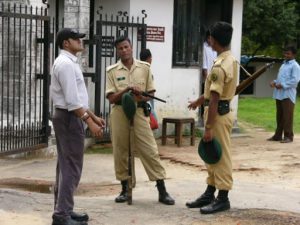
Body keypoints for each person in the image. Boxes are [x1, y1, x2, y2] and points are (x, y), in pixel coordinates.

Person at [106, 36, 175, 205]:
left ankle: (162, 189)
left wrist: (139, 95)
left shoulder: (144, 68)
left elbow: (150, 94)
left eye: (126, 47)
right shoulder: (112, 71)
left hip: (139, 113)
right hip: (120, 113)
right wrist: (126, 90)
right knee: (121, 150)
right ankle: (125, 188)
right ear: (117, 51)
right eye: (120, 48)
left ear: (131, 48)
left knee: (150, 149)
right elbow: (112, 98)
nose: (124, 50)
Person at [50, 28, 105, 225]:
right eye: (76, 39)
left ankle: (64, 209)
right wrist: (89, 122)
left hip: (68, 115)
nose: (80, 42)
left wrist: (94, 116)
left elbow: (77, 98)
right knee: (71, 167)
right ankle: (62, 215)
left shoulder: (68, 62)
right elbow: (72, 101)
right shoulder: (65, 64)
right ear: (66, 43)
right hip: (68, 117)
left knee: (66, 166)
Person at [186, 21, 237, 214]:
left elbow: (215, 98)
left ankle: (222, 198)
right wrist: (199, 102)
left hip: (218, 115)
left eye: (210, 37)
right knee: (212, 155)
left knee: (219, 156)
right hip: (221, 111)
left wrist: (208, 128)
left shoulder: (219, 67)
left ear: (213, 40)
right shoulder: (230, 59)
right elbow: (212, 94)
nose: (209, 40)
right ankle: (210, 192)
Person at [268, 46, 300, 143]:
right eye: (285, 53)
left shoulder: (295, 66)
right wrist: (274, 82)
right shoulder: (283, 65)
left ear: (294, 55)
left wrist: (283, 85)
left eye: (288, 54)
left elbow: (295, 80)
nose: (286, 55)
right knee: (280, 116)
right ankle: (278, 135)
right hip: (279, 94)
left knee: (287, 116)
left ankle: (288, 136)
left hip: (288, 95)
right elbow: (280, 78)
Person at [200, 30, 217, 124]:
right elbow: (204, 66)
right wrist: (208, 81)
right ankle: (204, 117)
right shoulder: (204, 47)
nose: (212, 40)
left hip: (215, 77)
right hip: (208, 78)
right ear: (208, 38)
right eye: (211, 38)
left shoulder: (215, 49)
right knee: (206, 97)